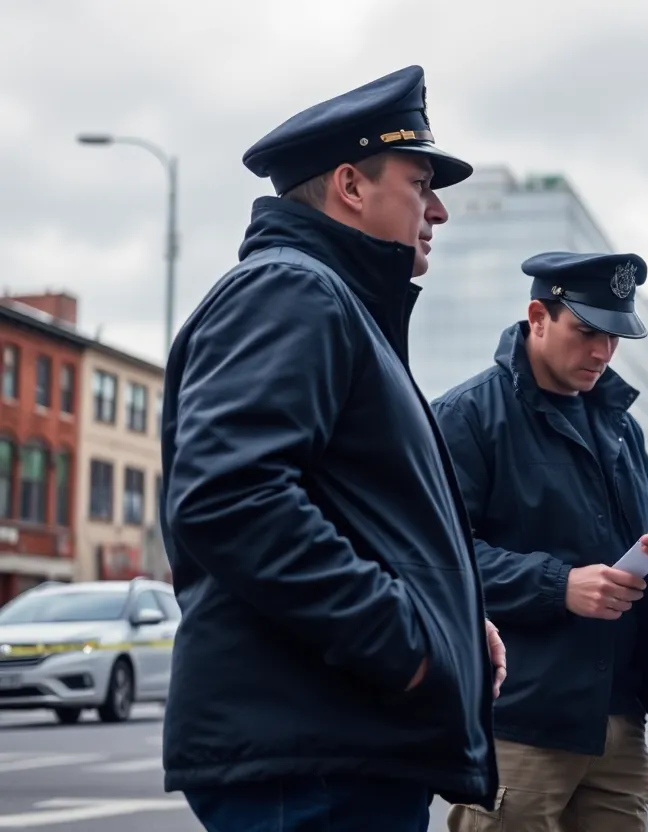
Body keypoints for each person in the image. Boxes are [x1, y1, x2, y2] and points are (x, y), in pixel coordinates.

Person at [158, 66, 504, 832]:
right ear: (351, 184)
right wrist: (407, 644)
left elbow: (354, 511)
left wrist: (451, 621)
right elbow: (231, 496)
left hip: (337, 745)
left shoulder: (338, 305)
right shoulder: (295, 291)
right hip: (315, 756)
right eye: (421, 182)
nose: (438, 210)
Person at [433, 251, 648, 831]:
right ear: (538, 316)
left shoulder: (619, 423)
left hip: (619, 717)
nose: (602, 352)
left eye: (614, 337)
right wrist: (559, 586)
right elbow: (438, 560)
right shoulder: (467, 417)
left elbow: (646, 539)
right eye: (587, 331)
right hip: (518, 718)